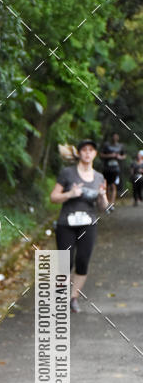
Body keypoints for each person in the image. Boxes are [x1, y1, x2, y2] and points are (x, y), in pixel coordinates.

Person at [50, 138, 109, 313]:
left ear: (95, 154)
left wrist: (103, 195)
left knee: (82, 261)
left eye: (91, 150)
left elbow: (103, 208)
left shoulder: (99, 177)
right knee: (65, 262)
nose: (87, 153)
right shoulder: (67, 173)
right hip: (66, 223)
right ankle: (60, 297)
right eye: (84, 150)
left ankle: (73, 298)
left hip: (88, 224)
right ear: (79, 153)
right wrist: (70, 193)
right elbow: (53, 197)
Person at [100, 132, 126, 208]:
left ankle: (112, 203)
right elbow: (101, 154)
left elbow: (124, 155)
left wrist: (119, 157)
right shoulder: (106, 145)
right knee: (107, 185)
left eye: (116, 136)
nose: (115, 138)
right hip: (107, 168)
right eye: (113, 136)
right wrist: (110, 155)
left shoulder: (120, 146)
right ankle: (107, 202)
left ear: (118, 138)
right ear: (111, 137)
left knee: (113, 185)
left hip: (116, 169)